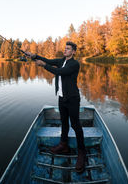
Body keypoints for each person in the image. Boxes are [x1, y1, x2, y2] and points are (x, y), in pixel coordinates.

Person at [25, 41, 86, 173]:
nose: (65, 50)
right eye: (65, 48)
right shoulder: (62, 60)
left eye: (68, 49)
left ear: (73, 52)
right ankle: (64, 145)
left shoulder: (74, 64)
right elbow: (48, 60)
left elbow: (60, 72)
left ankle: (82, 153)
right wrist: (34, 56)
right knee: (64, 122)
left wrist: (44, 66)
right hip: (62, 97)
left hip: (72, 99)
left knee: (75, 125)